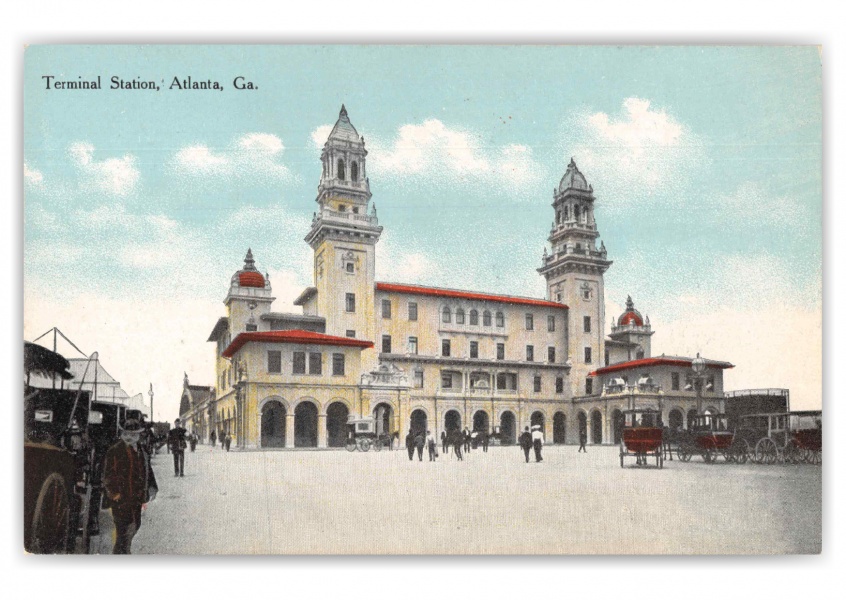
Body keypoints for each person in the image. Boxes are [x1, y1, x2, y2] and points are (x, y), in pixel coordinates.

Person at [102, 418, 158, 554]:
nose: (129, 438)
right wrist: (114, 493)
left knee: (135, 525)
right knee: (124, 531)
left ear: (139, 436)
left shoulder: (142, 450)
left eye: (133, 435)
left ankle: (123, 551)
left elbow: (147, 470)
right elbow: (108, 475)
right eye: (126, 434)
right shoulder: (114, 451)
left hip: (137, 498)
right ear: (121, 434)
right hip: (121, 499)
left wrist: (152, 487)